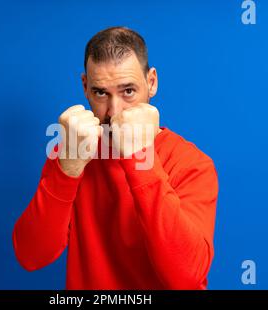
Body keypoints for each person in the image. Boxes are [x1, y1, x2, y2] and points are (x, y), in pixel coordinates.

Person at [13, 26, 219, 290]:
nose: (114, 111)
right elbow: (31, 256)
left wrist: (140, 157)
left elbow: (187, 278)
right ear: (85, 87)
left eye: (128, 91)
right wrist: (66, 170)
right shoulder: (72, 153)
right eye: (101, 93)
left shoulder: (191, 164)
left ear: (152, 82)